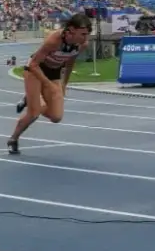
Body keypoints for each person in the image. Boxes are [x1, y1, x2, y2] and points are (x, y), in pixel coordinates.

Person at [7, 14, 92, 155]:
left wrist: (64, 84)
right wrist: (48, 85)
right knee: (33, 114)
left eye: (87, 34)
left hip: (54, 72)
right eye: (82, 34)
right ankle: (13, 139)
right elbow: (33, 64)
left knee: (56, 117)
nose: (85, 37)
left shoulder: (82, 44)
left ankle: (31, 100)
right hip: (35, 71)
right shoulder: (54, 40)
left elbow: (70, 63)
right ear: (71, 30)